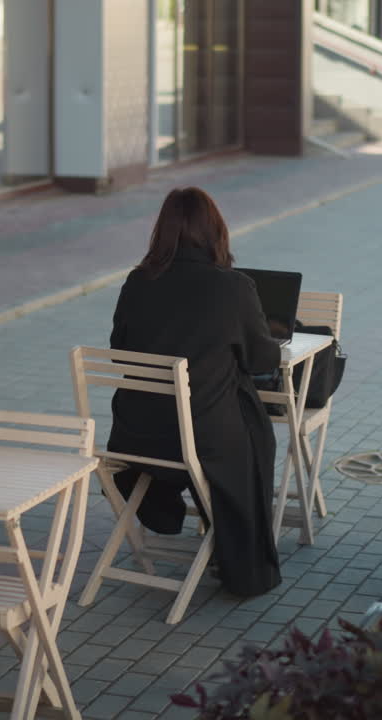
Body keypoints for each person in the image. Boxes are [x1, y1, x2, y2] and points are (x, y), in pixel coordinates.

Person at [106, 187, 282, 598]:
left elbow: (120, 352)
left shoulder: (137, 281)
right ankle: (242, 560)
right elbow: (261, 361)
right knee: (255, 432)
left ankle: (182, 517)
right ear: (215, 232)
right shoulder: (233, 287)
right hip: (197, 439)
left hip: (136, 436)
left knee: (228, 409)